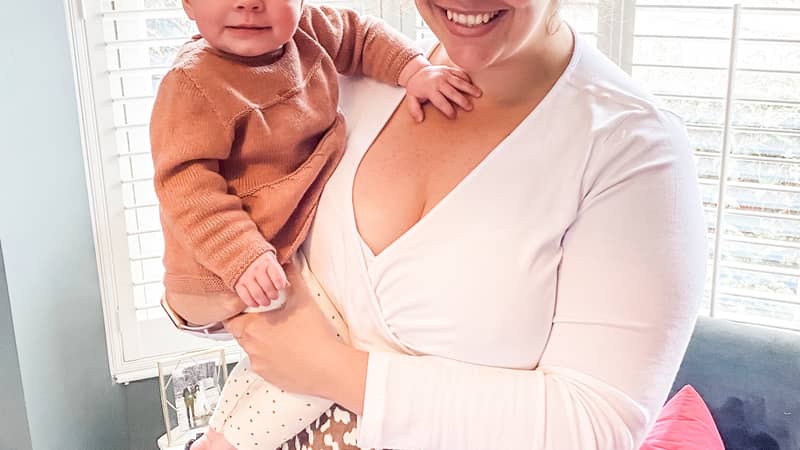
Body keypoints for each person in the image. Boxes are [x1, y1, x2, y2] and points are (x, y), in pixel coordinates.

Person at [209, 0, 709, 448]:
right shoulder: (354, 77)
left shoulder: (634, 148)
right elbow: (237, 253)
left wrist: (334, 372)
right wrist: (205, 298)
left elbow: (595, 427)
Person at [150, 0, 480, 447]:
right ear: (188, 4)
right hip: (218, 262)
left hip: (267, 249)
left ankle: (216, 432)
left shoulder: (307, 32)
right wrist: (241, 256)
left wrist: (413, 71)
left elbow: (362, 38)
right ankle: (228, 445)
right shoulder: (192, 84)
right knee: (327, 346)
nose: (248, 4)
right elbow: (187, 184)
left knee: (270, 365)